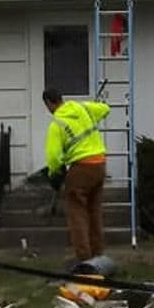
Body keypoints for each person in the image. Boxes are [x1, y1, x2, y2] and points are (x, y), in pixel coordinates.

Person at [43, 87, 110, 264]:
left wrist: (54, 174)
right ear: (61, 98)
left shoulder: (56, 124)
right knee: (94, 211)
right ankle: (98, 255)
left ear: (49, 103)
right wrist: (89, 114)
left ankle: (84, 258)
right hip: (100, 165)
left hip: (80, 168)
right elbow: (105, 109)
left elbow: (53, 157)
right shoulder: (82, 108)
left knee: (77, 213)